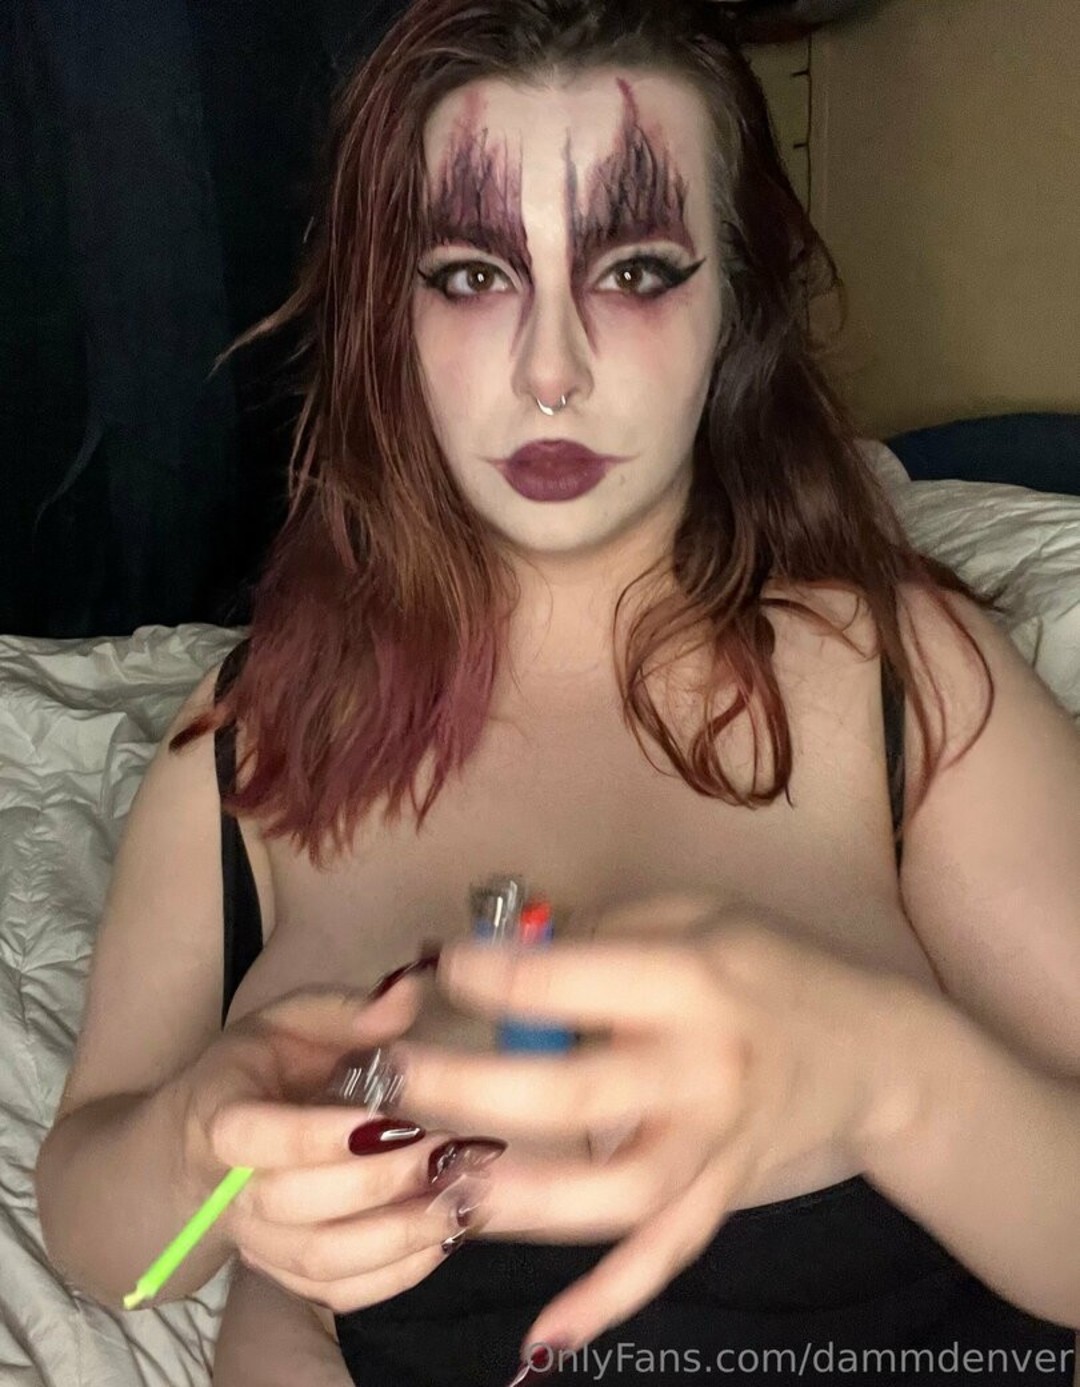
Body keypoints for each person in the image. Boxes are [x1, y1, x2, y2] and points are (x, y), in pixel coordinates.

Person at [34, 1, 1080, 1384]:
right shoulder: (250, 742)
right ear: (390, 313)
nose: (550, 370)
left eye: (634, 269)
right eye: (472, 273)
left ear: (735, 301)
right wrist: (198, 1147)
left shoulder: (908, 681)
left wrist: (894, 1082)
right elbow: (108, 1244)